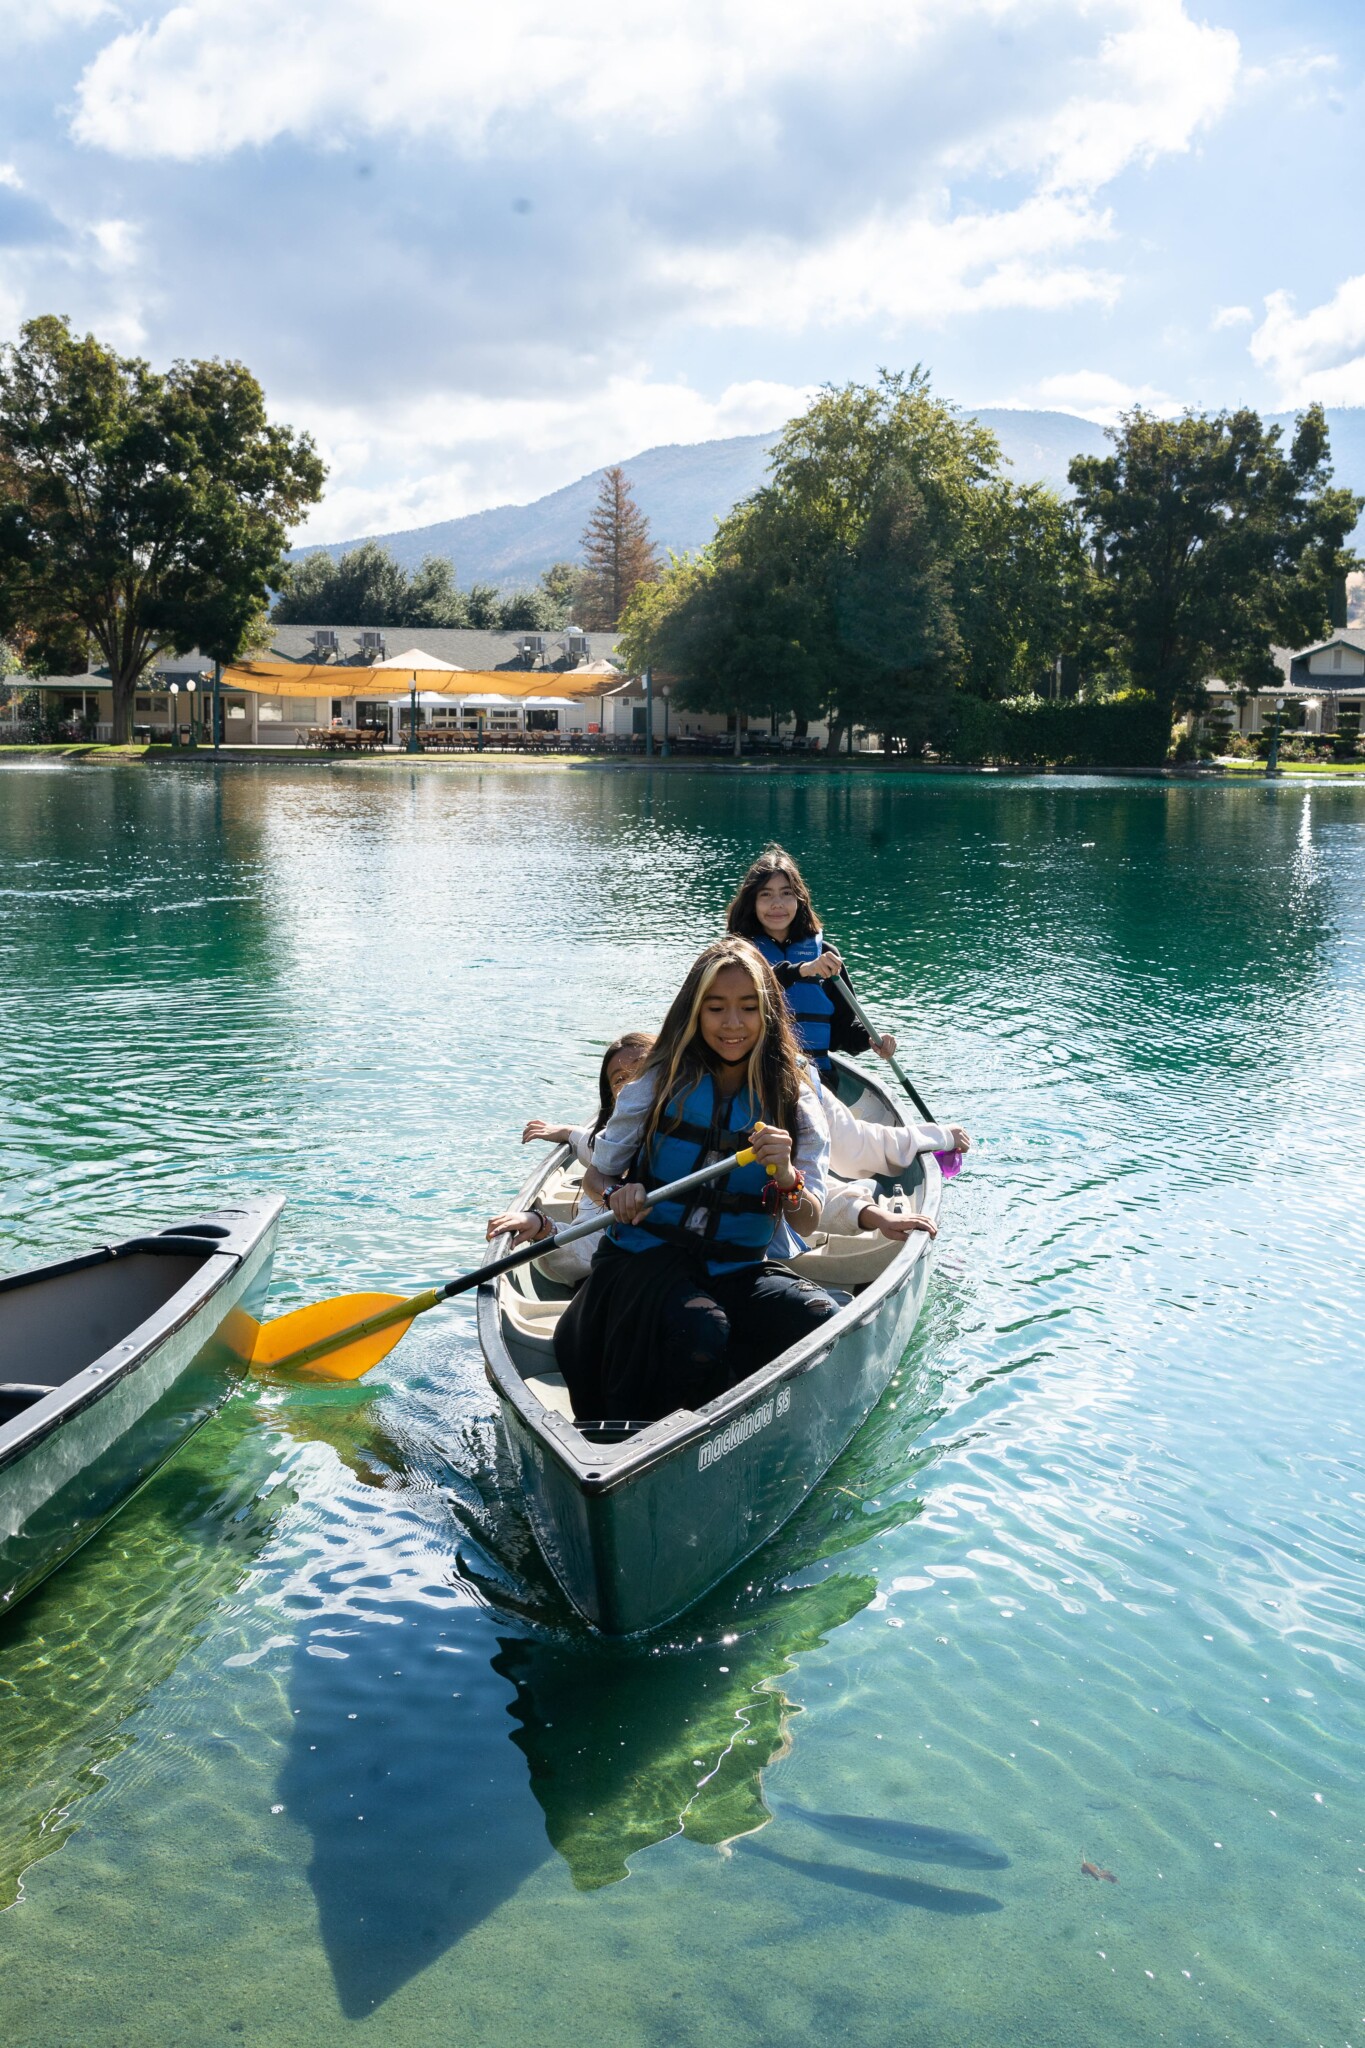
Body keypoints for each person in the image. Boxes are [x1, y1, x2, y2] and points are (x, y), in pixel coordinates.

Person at [552, 937, 838, 1423]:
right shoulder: (656, 1084)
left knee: (821, 1319)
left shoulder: (794, 1096)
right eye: (716, 1008)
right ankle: (655, 1443)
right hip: (645, 1263)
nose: (733, 1024)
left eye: (748, 1008)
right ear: (695, 1012)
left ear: (767, 1015)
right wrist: (619, 1193)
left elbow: (807, 1221)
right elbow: (596, 1176)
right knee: (702, 1329)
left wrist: (787, 1176)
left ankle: (752, 1424)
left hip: (736, 1268)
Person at [488, 1032, 654, 1285]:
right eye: (621, 1080)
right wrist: (542, 1226)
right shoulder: (608, 1154)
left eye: (642, 1072)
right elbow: (584, 1253)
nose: (633, 1086)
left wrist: (569, 1132)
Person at [725, 845, 895, 1082]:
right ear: (751, 901)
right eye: (766, 894)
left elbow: (840, 1033)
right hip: (755, 1077)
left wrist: (871, 1038)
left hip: (817, 1080)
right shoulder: (735, 954)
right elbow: (756, 980)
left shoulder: (826, 955)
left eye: (787, 893)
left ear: (799, 899)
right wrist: (804, 970)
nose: (777, 904)